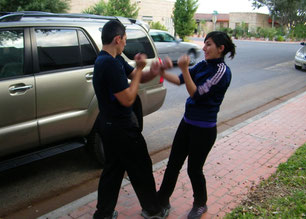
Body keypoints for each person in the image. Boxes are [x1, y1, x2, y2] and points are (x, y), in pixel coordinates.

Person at [92, 20, 170, 219]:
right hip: (121, 127)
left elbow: (136, 75)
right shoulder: (108, 63)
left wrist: (152, 70)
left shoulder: (114, 59)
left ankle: (104, 213)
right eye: (125, 40)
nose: (125, 44)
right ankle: (153, 210)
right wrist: (140, 69)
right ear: (117, 39)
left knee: (114, 169)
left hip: (110, 125)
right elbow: (127, 99)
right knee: (141, 167)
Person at [157, 31, 236, 219]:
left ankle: (200, 204)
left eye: (208, 44)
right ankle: (161, 199)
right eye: (204, 44)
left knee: (194, 169)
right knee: (173, 164)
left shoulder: (221, 72)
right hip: (187, 123)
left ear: (220, 48)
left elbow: (196, 94)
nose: (204, 48)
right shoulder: (203, 64)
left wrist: (184, 69)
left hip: (204, 129)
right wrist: (161, 71)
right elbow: (179, 81)